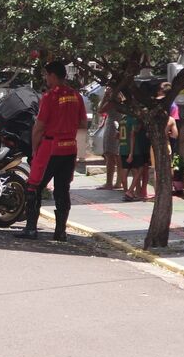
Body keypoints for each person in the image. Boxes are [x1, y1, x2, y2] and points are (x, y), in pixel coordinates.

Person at [15, 61, 88, 241]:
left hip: (50, 147)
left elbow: (39, 127)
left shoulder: (50, 97)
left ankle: (31, 228)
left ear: (53, 76)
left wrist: (34, 150)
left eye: (46, 75)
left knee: (34, 186)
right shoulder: (76, 96)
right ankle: (60, 231)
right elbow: (83, 125)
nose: (45, 79)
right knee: (62, 189)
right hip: (69, 148)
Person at [96, 87, 124, 190]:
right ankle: (118, 182)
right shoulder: (120, 100)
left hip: (112, 126)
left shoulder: (112, 102)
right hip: (116, 125)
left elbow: (100, 110)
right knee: (116, 155)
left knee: (110, 155)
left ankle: (109, 182)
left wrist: (105, 96)